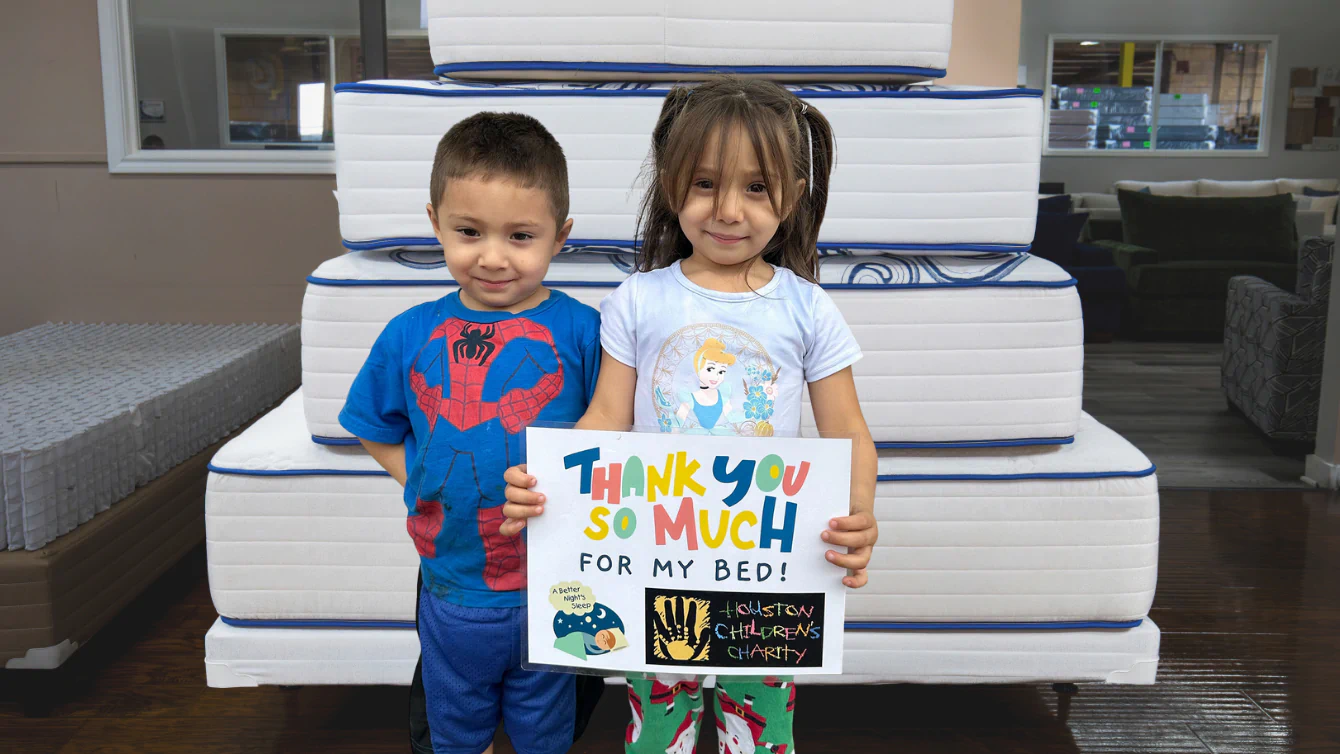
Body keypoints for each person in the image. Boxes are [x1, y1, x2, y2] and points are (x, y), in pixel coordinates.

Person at [498, 76, 879, 753]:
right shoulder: (639, 301)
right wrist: (546, 483)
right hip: (660, 564)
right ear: (673, 187)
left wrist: (856, 522)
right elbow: (606, 418)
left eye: (756, 188)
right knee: (659, 729)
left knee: (759, 733)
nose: (728, 210)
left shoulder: (808, 308)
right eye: (705, 184)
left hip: (769, 571)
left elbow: (848, 431)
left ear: (792, 196)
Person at [339, 111, 604, 754]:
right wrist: (420, 473)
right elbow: (373, 425)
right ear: (435, 222)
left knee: (548, 729)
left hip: (559, 585)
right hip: (452, 583)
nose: (492, 256)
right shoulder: (409, 333)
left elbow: (618, 438)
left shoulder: (587, 332)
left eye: (520, 235)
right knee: (455, 730)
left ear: (559, 236)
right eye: (468, 231)